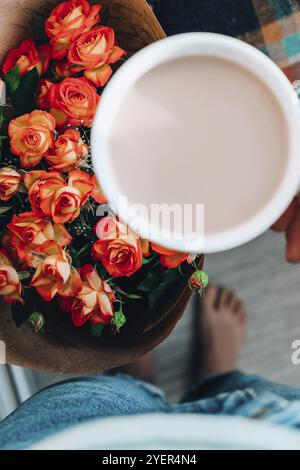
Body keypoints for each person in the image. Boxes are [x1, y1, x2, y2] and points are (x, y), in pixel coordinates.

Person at [2, 286, 300, 450]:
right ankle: (216, 376)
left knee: (108, 396)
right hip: (279, 431)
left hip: (73, 442)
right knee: (245, 392)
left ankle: (135, 376)